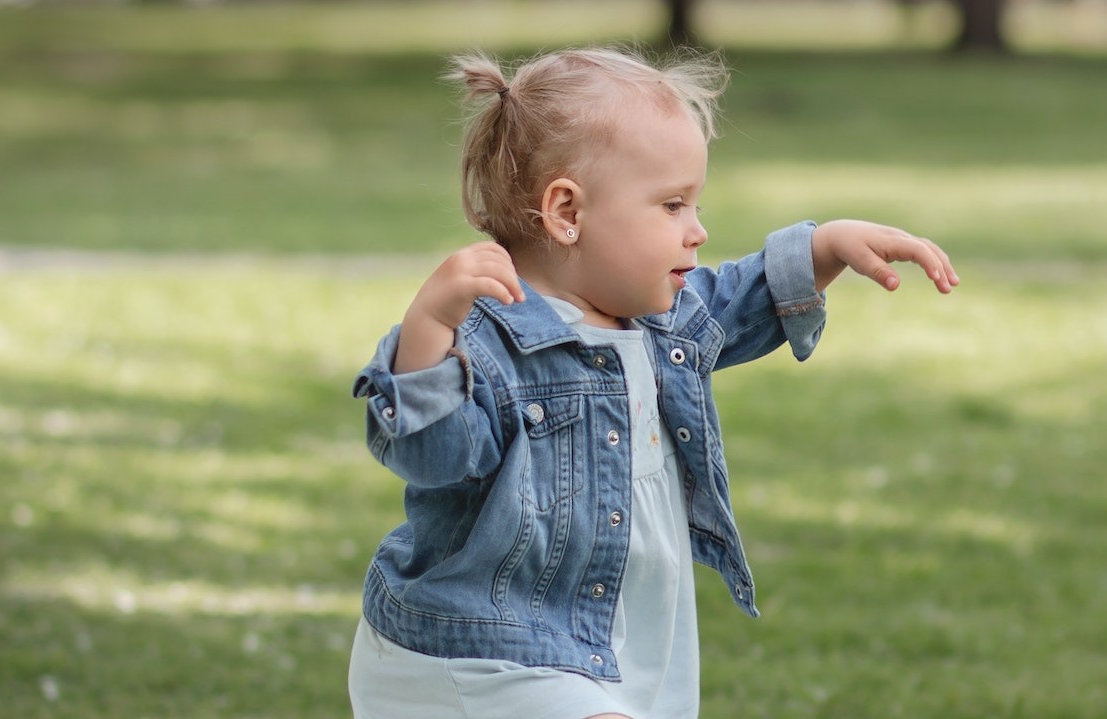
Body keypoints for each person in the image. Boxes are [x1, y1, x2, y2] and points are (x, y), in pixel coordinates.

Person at [347, 46, 958, 719]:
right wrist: (429, 325)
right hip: (486, 653)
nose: (697, 231)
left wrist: (824, 246)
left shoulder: (658, 321)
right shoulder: (489, 344)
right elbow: (431, 457)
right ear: (566, 212)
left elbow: (735, 298)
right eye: (672, 205)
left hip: (612, 646)